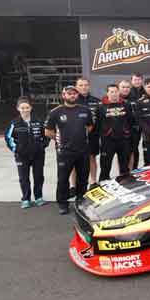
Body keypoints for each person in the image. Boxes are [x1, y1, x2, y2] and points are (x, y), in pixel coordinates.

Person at [45, 86, 94, 215]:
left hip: (82, 150)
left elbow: (89, 127)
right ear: (64, 95)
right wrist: (61, 140)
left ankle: (80, 200)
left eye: (74, 94)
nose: (72, 96)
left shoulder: (85, 110)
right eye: (69, 94)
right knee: (63, 179)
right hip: (64, 152)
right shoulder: (55, 112)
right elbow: (48, 132)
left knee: (83, 178)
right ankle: (62, 203)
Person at [5, 97, 49, 209]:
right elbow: (8, 138)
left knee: (38, 176)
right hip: (21, 156)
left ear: (31, 108)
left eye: (27, 107)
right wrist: (16, 149)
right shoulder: (14, 123)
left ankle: (39, 197)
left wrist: (41, 146)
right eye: (22, 108)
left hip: (38, 155)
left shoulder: (39, 121)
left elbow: (46, 136)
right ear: (18, 109)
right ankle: (26, 199)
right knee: (24, 178)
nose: (25, 110)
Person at [96, 83, 133, 180]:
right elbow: (98, 124)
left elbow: (130, 121)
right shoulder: (100, 106)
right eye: (111, 92)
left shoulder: (126, 104)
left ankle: (126, 185)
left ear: (119, 92)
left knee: (124, 167)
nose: (114, 94)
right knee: (105, 167)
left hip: (123, 140)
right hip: (108, 142)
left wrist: (126, 132)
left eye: (116, 91)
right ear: (107, 93)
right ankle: (103, 185)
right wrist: (105, 134)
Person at [74, 77, 102, 184]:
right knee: (74, 161)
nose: (83, 87)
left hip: (92, 136)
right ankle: (73, 185)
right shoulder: (72, 101)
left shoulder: (97, 101)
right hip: (75, 137)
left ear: (89, 86)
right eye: (81, 85)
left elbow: (100, 120)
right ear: (77, 87)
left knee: (92, 158)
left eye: (85, 85)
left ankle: (93, 181)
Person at [120, 79, 142, 170]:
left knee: (133, 151)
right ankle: (122, 173)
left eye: (127, 87)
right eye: (123, 87)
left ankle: (133, 171)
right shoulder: (114, 98)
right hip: (119, 131)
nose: (125, 89)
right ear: (119, 88)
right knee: (121, 154)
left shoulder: (136, 98)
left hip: (133, 130)